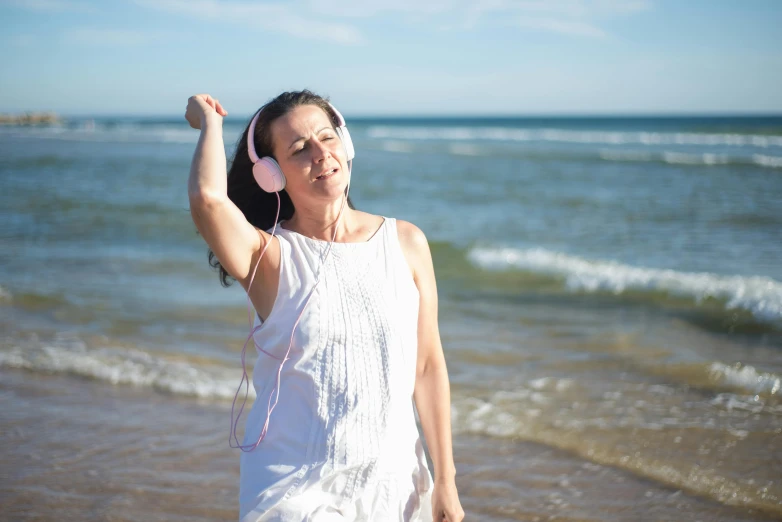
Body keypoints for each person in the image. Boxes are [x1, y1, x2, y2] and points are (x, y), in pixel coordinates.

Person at [185, 90, 464, 522]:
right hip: (297, 490)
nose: (320, 153)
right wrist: (210, 122)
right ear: (271, 175)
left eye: (327, 137)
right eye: (299, 148)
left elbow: (427, 367)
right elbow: (208, 200)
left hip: (396, 486)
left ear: (346, 145)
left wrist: (445, 481)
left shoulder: (406, 242)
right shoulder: (271, 256)